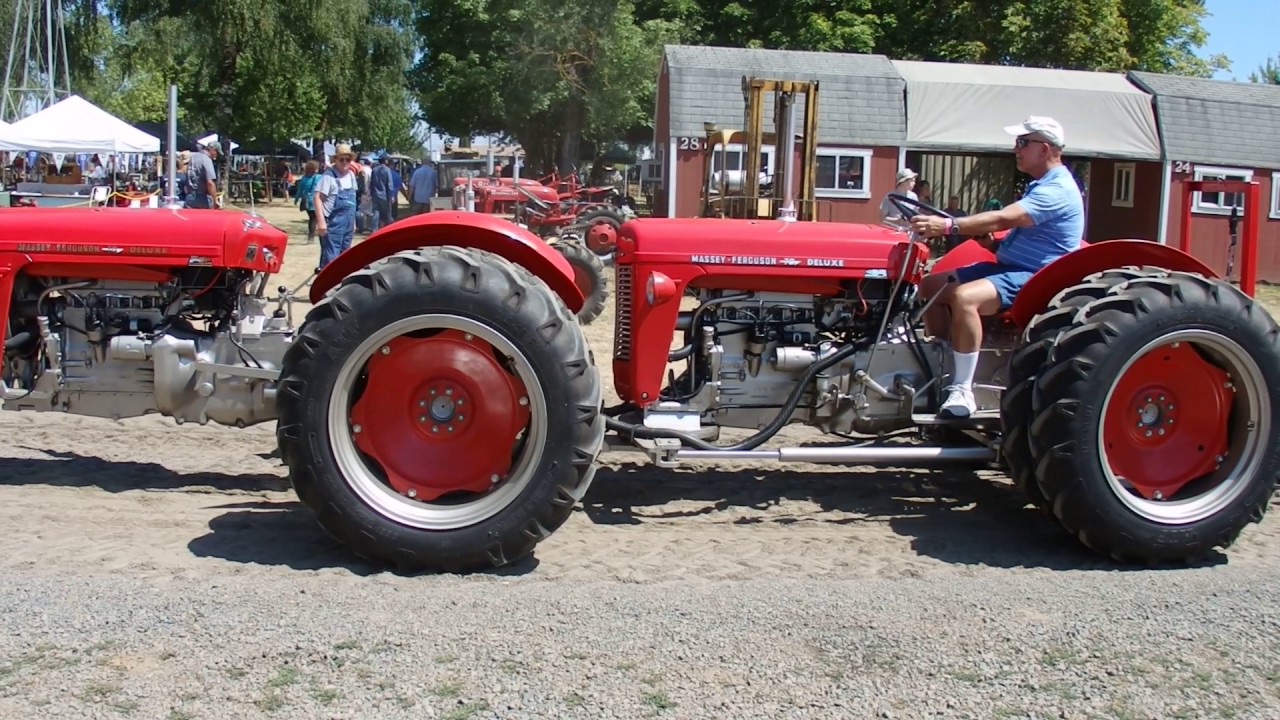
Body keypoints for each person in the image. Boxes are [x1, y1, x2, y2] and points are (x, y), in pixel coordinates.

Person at [909, 116, 1084, 418]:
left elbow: (1005, 218)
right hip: (1010, 267)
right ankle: (940, 366)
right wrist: (992, 245)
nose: (1015, 149)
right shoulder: (1040, 184)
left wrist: (949, 225)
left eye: (1022, 143)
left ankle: (963, 389)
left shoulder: (1057, 189)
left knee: (965, 298)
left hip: (1036, 278)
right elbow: (1024, 238)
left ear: (1043, 149)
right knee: (930, 286)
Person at [314, 144, 359, 269]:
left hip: (348, 223)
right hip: (333, 224)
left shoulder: (351, 175)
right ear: (335, 160)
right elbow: (317, 198)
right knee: (330, 259)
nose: (345, 162)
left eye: (347, 159)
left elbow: (353, 199)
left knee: (345, 257)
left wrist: (353, 221)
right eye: (341, 159)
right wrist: (321, 222)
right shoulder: (329, 176)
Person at [184, 141, 219, 209]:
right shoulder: (206, 160)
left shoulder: (193, 157)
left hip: (190, 196)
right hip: (203, 198)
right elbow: (210, 183)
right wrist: (215, 200)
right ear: (213, 150)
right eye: (217, 152)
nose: (216, 155)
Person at [294, 160, 321, 243]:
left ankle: (311, 237)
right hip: (315, 200)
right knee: (315, 218)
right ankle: (312, 236)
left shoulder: (304, 178)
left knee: (312, 218)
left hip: (306, 200)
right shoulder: (319, 177)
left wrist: (297, 199)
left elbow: (300, 190)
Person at [369, 153, 394, 232]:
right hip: (384, 195)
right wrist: (391, 196)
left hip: (375, 194)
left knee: (376, 212)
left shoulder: (374, 169)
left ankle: (374, 230)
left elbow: (371, 183)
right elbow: (389, 184)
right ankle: (388, 230)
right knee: (387, 213)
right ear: (385, 160)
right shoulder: (387, 170)